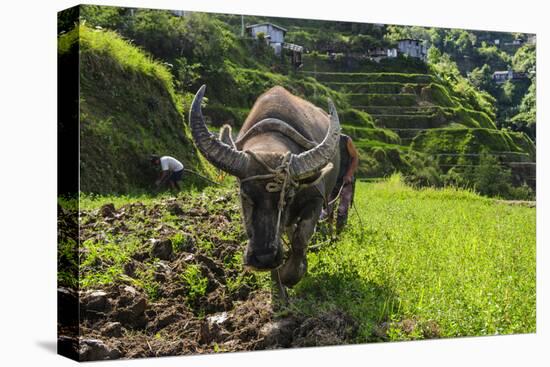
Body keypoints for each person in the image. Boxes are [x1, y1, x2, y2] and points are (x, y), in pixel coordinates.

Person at [324, 134, 359, 234]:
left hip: (345, 179)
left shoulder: (345, 140)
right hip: (331, 180)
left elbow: (355, 157)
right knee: (327, 207)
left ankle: (340, 233)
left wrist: (348, 174)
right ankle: (326, 232)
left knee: (342, 209)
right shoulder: (324, 141)